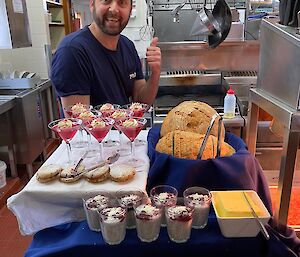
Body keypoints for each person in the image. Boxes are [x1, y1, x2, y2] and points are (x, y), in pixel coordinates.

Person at [51, 0, 161, 113]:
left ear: (130, 9)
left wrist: (155, 73)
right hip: (100, 131)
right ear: (92, 4)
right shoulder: (72, 52)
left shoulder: (128, 46)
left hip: (122, 130)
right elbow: (79, 124)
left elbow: (141, 102)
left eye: (122, 2)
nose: (114, 9)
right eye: (106, 1)